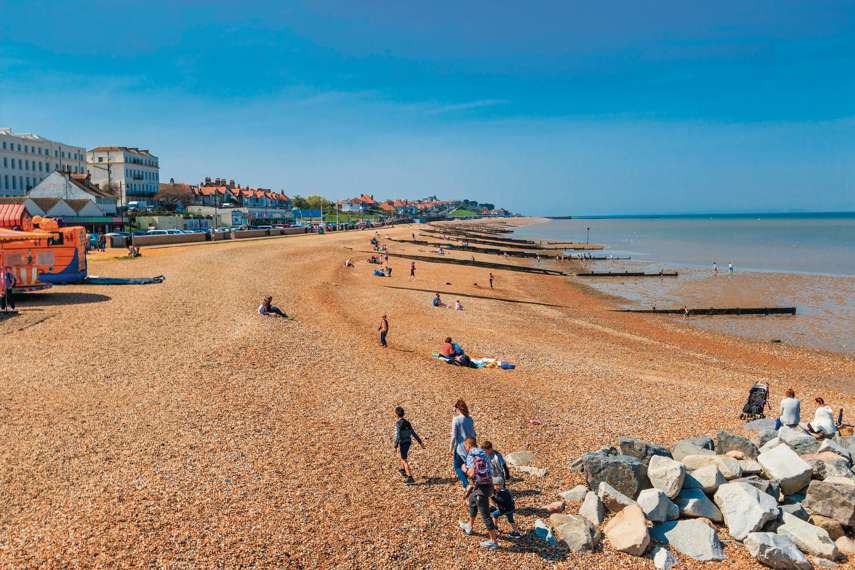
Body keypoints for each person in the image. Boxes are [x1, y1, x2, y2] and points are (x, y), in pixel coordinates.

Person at [458, 437, 499, 549]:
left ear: (468, 445)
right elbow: (490, 470)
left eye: (465, 447)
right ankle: (469, 526)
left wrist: (464, 469)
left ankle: (493, 541)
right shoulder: (484, 454)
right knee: (472, 500)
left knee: (485, 514)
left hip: (481, 489)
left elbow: (471, 474)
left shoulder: (471, 455)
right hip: (486, 485)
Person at [393, 406, 424, 485]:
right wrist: (420, 442)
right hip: (408, 442)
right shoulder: (407, 423)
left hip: (402, 442)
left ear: (396, 415)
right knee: (400, 454)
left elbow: (398, 436)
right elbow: (413, 433)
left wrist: (395, 446)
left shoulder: (398, 424)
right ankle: (403, 469)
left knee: (404, 459)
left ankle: (410, 477)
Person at [450, 399, 476, 488]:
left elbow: (453, 436)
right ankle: (476, 483)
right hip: (471, 445)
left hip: (460, 447)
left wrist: (451, 448)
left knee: (457, 466)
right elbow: (473, 433)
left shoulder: (456, 420)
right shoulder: (470, 419)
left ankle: (466, 484)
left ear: (457, 408)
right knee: (469, 464)